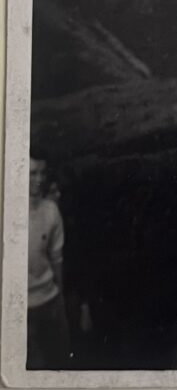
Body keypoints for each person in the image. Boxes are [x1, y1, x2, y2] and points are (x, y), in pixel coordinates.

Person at [27, 157, 70, 369]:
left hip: (50, 302)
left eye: (42, 173)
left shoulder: (51, 210)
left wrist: (60, 301)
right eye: (33, 173)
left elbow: (56, 259)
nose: (39, 179)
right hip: (21, 308)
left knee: (59, 363)